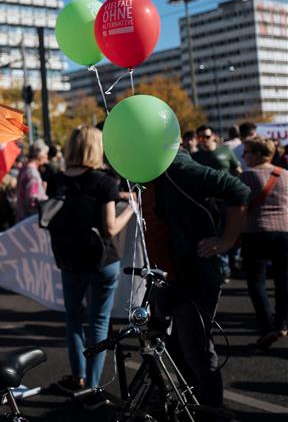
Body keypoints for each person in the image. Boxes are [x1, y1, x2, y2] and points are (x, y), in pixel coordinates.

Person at [154, 145, 250, 412]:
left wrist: (226, 241)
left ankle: (211, 414)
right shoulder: (144, 170)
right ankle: (192, 409)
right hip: (163, 279)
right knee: (173, 354)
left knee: (197, 356)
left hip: (191, 279)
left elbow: (238, 189)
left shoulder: (178, 167)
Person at [46, 126, 135, 409]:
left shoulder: (55, 179)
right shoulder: (105, 181)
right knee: (98, 323)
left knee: (73, 318)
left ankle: (78, 377)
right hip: (102, 261)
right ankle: (94, 386)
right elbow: (109, 229)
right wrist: (130, 207)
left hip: (69, 259)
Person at [239, 136, 288, 348]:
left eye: (247, 151)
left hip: (255, 232)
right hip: (284, 231)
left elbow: (237, 207)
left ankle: (267, 327)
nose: (243, 156)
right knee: (283, 279)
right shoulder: (285, 174)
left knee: (257, 282)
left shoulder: (246, 177)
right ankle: (282, 323)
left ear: (259, 154)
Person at [15, 142, 49, 221]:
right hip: (30, 219)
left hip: (21, 215)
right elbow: (32, 200)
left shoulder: (24, 169)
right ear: (40, 155)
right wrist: (43, 195)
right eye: (46, 154)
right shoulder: (33, 174)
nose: (47, 156)